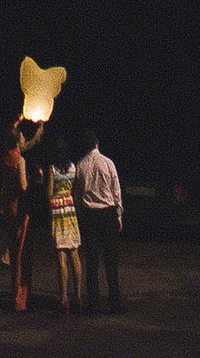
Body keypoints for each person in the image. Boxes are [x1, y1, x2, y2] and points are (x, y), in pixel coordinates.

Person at [72, 129, 123, 313]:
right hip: (107, 213)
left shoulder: (80, 165)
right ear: (97, 144)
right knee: (110, 260)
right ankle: (115, 301)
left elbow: (77, 195)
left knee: (92, 261)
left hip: (89, 215)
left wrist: (79, 213)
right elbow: (116, 190)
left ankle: (93, 303)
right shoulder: (108, 163)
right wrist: (118, 215)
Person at [0, 119, 45, 310]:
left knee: (14, 248)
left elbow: (26, 144)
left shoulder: (6, 156)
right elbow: (24, 185)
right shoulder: (20, 160)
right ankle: (20, 299)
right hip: (19, 207)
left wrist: (30, 129)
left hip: (8, 205)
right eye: (22, 137)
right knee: (21, 254)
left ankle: (15, 295)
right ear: (18, 141)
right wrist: (38, 179)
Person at [46, 145, 83, 313]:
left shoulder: (52, 169)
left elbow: (49, 194)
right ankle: (79, 296)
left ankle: (64, 297)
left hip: (57, 210)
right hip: (70, 208)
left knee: (61, 255)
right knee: (74, 253)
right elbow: (75, 190)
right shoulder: (73, 168)